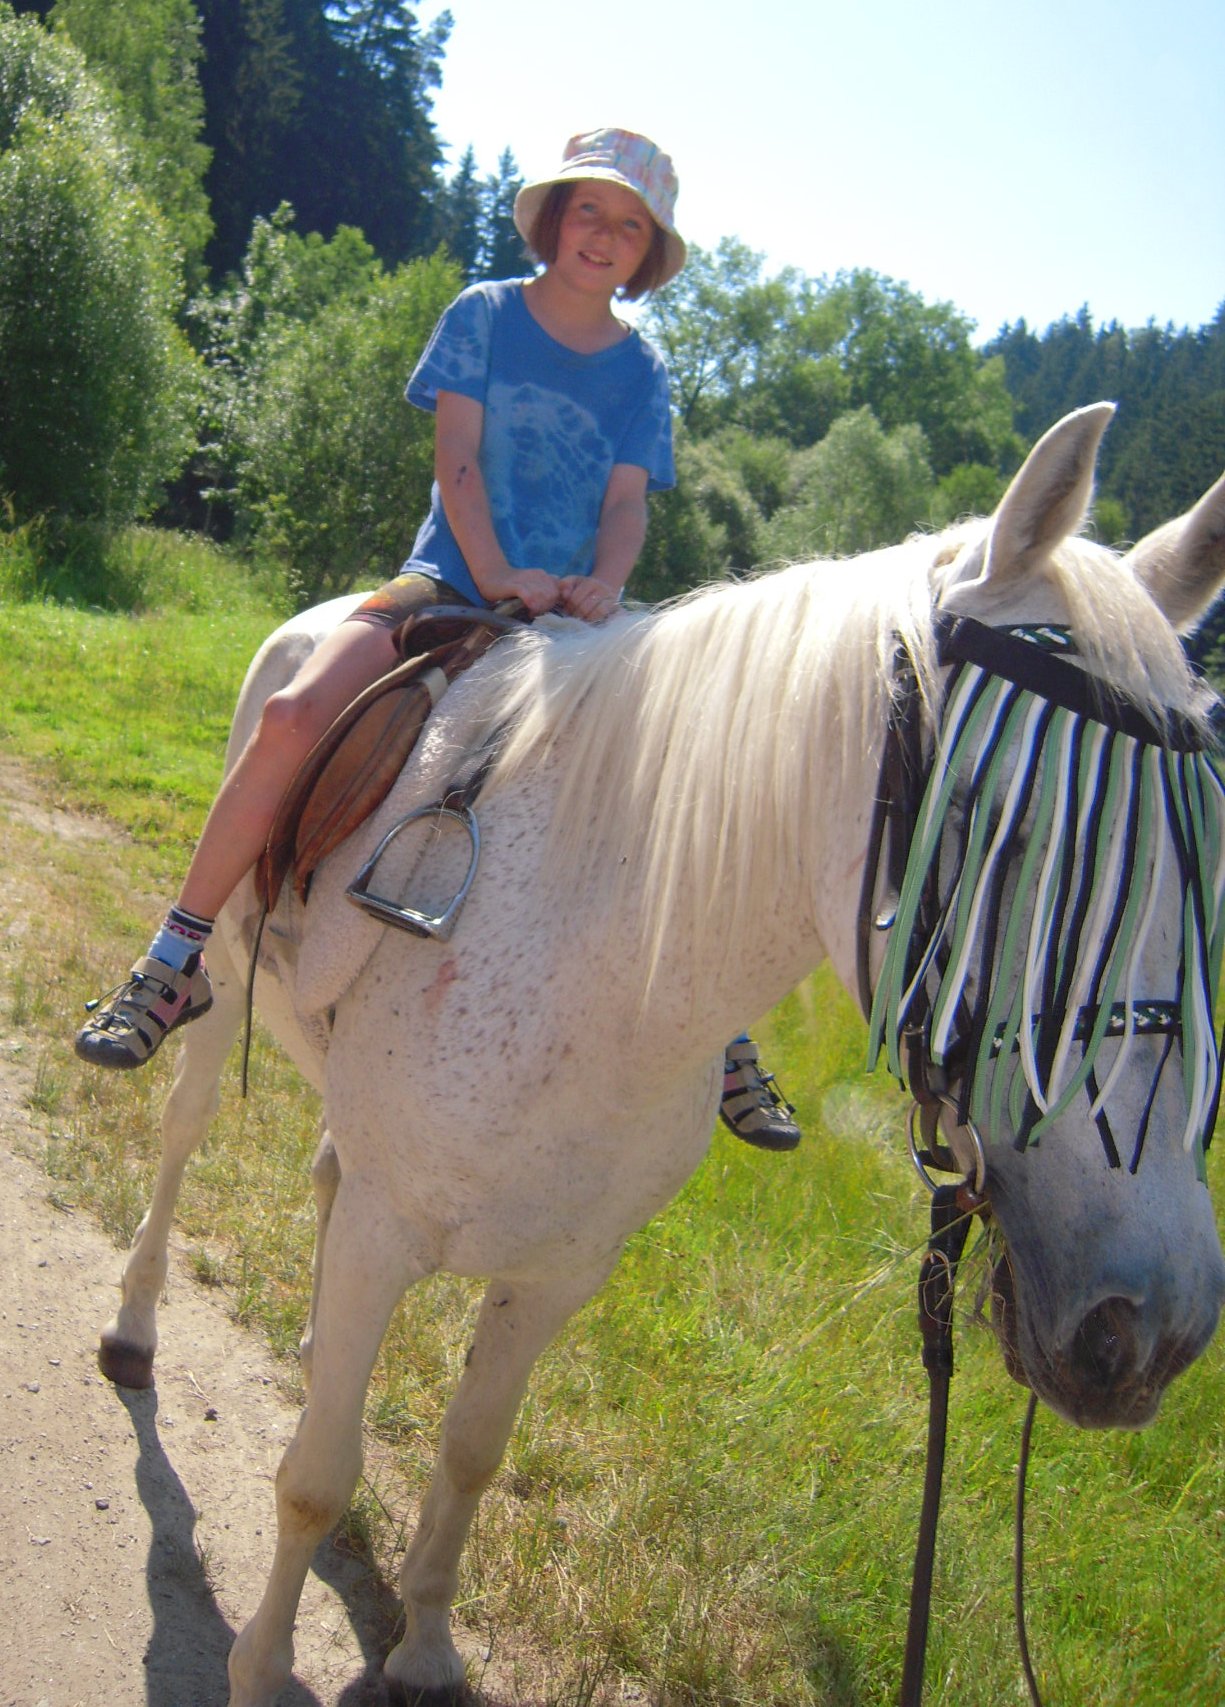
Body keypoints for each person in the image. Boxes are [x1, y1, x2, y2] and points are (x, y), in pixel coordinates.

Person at [73, 127, 800, 1152]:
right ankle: (175, 954)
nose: (603, 235)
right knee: (291, 714)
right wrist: (498, 575)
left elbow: (626, 503)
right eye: (588, 210)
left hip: (574, 613)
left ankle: (721, 1027)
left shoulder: (641, 369)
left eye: (630, 226)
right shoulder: (484, 315)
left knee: (690, 772)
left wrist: (603, 585)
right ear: (554, 219)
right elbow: (456, 457)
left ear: (647, 254)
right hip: (451, 580)